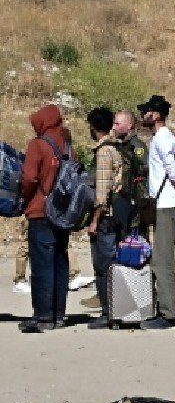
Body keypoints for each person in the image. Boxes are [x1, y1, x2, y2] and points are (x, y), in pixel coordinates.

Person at [18, 104, 71, 333]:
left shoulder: (38, 145)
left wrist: (25, 198)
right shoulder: (67, 143)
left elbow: (29, 178)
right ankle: (58, 314)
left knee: (42, 265)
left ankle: (43, 316)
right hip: (64, 212)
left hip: (41, 211)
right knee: (60, 261)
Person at [139, 94, 175, 330]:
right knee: (160, 259)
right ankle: (164, 310)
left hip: (167, 205)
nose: (143, 115)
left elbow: (174, 171)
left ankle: (169, 315)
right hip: (166, 204)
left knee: (162, 261)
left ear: (156, 115)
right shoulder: (162, 138)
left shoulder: (162, 138)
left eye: (147, 111)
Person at [84, 107, 124, 329]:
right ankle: (116, 310)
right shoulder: (117, 148)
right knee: (112, 265)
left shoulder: (103, 152)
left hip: (105, 218)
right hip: (117, 215)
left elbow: (102, 193)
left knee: (103, 267)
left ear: (93, 127)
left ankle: (109, 313)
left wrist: (94, 221)